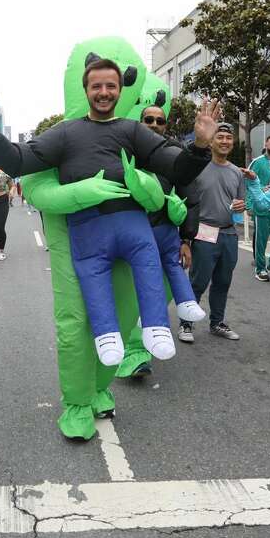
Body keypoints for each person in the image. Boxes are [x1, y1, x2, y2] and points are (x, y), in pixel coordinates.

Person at [0, 58, 217, 365]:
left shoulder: (133, 131)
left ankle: (157, 328)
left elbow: (176, 168)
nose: (104, 92)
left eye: (111, 86)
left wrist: (200, 145)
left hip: (133, 227)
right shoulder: (66, 133)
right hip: (87, 231)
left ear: (120, 91)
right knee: (92, 286)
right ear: (86, 90)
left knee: (146, 268)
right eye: (97, 86)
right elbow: (19, 160)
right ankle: (105, 337)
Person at [118, 102, 203, 378]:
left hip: (165, 237)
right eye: (148, 119)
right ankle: (131, 354)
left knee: (153, 296)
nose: (154, 124)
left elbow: (190, 199)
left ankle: (143, 345)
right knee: (128, 297)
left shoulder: (176, 155)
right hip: (128, 239)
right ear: (139, 122)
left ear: (166, 124)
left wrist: (187, 239)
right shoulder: (125, 152)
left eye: (159, 120)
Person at [178, 123, 248, 344]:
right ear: (211, 141)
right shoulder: (199, 167)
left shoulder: (237, 172)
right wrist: (185, 239)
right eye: (220, 137)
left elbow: (241, 203)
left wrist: (241, 206)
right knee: (198, 282)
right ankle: (186, 323)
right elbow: (186, 202)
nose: (225, 141)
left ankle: (217, 323)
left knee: (223, 281)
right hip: (203, 232)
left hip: (229, 234)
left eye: (229, 138)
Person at [247, 134, 270, 282]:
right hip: (263, 208)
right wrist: (250, 205)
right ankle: (260, 269)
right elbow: (248, 182)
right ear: (266, 145)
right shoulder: (257, 162)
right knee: (261, 241)